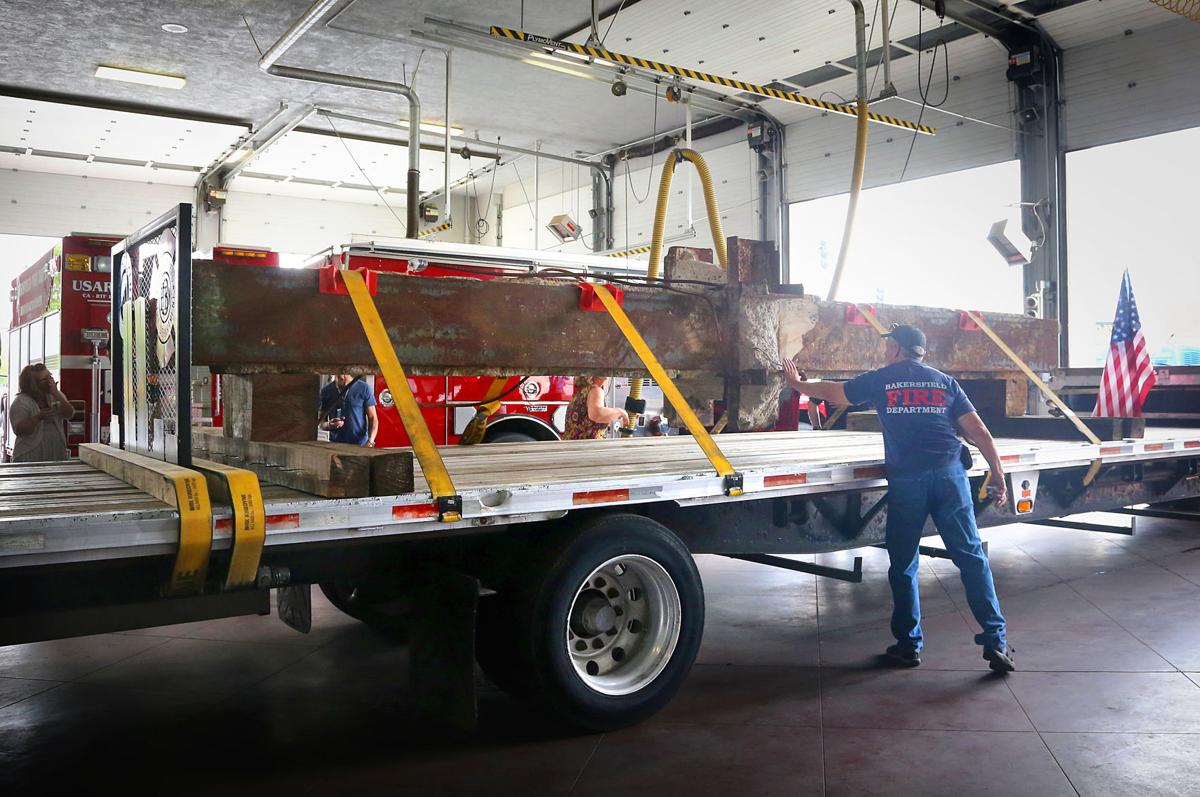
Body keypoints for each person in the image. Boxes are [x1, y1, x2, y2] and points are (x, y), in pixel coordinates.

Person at [782, 324, 1016, 673]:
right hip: (951, 475)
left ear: (896, 349)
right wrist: (998, 475)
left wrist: (799, 384)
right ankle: (995, 640)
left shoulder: (882, 380)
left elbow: (836, 392)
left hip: (909, 481)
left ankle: (908, 645)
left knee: (904, 563)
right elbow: (979, 431)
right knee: (970, 557)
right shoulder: (944, 382)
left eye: (888, 343)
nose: (884, 349)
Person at [10, 363, 73, 462]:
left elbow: (69, 414)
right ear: (33, 385)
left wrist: (56, 393)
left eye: (50, 377)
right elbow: (18, 430)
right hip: (30, 453)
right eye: (44, 380)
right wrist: (37, 418)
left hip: (55, 451)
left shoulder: (55, 395)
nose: (50, 382)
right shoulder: (21, 402)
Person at [318, 374, 378, 447]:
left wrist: (370, 442)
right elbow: (321, 423)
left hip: (360, 445)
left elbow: (373, 418)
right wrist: (329, 425)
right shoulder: (326, 391)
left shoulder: (364, 388)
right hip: (336, 445)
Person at [563, 376, 629, 440]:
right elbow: (597, 414)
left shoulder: (582, 391)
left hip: (572, 445)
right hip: (587, 448)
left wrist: (617, 417)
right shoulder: (595, 390)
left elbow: (587, 421)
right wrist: (620, 412)